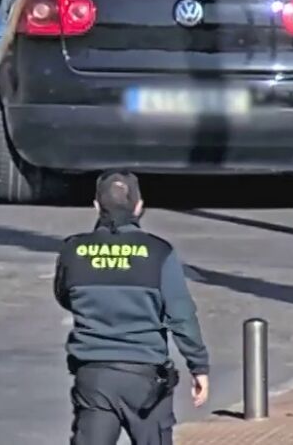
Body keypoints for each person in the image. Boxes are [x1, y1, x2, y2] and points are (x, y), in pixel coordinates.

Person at [54, 172, 210, 445]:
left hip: (94, 376)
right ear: (139, 206)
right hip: (145, 377)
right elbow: (181, 317)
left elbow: (64, 296)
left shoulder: (74, 250)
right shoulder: (158, 252)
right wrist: (198, 366)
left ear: (96, 206)